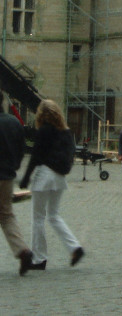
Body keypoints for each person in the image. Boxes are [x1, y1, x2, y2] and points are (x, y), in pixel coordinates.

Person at [19, 99, 84, 270]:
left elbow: (36, 155)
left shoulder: (44, 130)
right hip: (59, 176)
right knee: (54, 215)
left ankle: (40, 258)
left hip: (44, 175)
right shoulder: (66, 131)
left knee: (38, 218)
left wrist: (26, 177)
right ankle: (74, 247)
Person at [0, 92, 33, 275]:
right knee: (6, 215)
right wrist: (15, 166)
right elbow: (22, 149)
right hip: (7, 176)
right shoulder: (14, 122)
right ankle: (22, 249)